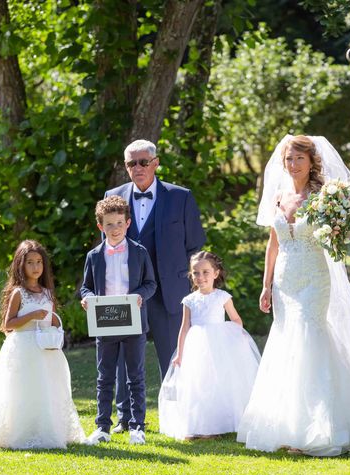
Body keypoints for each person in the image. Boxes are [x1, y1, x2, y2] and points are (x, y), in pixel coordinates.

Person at [237, 135, 350, 456]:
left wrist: (337, 229)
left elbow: (338, 237)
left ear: (311, 162)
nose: (293, 165)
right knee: (286, 341)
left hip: (314, 276)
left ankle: (318, 429)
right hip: (285, 280)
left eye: (299, 159)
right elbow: (273, 243)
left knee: (310, 335)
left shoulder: (325, 196)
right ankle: (287, 426)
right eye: (289, 159)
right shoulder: (277, 197)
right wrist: (266, 284)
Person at [105, 139, 205, 433]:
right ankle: (126, 419)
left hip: (169, 291)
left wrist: (192, 284)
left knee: (173, 356)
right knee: (125, 358)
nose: (137, 168)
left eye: (143, 162)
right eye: (131, 163)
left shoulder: (181, 197)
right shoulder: (113, 197)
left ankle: (177, 418)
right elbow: (106, 247)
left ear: (156, 163)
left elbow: (195, 245)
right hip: (127, 293)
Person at [0, 240, 85, 449]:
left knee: (46, 389)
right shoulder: (19, 293)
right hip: (24, 348)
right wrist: (33, 315)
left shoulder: (47, 293)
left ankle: (47, 429)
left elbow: (52, 318)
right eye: (30, 263)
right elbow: (8, 325)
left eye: (39, 262)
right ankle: (21, 432)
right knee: (24, 390)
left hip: (45, 349)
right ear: (21, 265)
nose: (36, 267)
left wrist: (55, 325)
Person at [158, 251, 260, 439]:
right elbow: (184, 328)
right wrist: (180, 354)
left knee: (216, 383)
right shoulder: (189, 300)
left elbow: (236, 319)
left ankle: (214, 426)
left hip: (218, 345)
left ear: (216, 273)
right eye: (196, 273)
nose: (201, 277)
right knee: (198, 384)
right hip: (196, 346)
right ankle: (196, 425)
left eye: (205, 272)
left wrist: (234, 337)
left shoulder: (222, 297)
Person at [80, 196, 157, 445]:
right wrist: (87, 299)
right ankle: (102, 427)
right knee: (105, 377)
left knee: (135, 376)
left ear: (128, 223)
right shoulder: (94, 256)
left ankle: (137, 427)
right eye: (109, 224)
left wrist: (139, 295)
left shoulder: (139, 252)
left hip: (133, 322)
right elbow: (86, 288)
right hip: (105, 322)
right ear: (100, 226)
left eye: (119, 223)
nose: (115, 229)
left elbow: (151, 284)